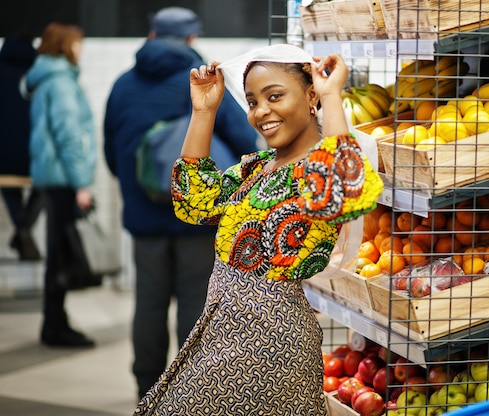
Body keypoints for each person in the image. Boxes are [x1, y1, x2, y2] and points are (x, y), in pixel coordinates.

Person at [134, 44, 384, 415]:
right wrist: (204, 110)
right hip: (224, 329)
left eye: (275, 96)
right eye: (252, 101)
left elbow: (342, 191)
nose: (261, 111)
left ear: (310, 94)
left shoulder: (317, 171)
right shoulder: (259, 167)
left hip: (269, 340)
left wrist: (333, 95)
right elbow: (195, 201)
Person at [103, 7, 259, 399]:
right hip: (196, 220)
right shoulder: (204, 85)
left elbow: (110, 153)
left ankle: (146, 388)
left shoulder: (123, 85)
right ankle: (187, 391)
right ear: (191, 39)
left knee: (149, 303)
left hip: (143, 216)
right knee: (194, 303)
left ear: (152, 35)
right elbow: (244, 143)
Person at [25, 22, 97, 347]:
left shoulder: (45, 80)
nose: (81, 50)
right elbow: (70, 136)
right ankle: (55, 325)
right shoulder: (61, 83)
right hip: (65, 178)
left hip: (51, 176)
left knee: (58, 251)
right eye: (77, 44)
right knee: (60, 254)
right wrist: (81, 183)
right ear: (65, 46)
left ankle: (54, 321)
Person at [0, 33, 44, 261]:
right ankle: (24, 231)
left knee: (8, 187)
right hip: (33, 148)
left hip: (3, 148)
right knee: (44, 186)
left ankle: (22, 231)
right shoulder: (37, 73)